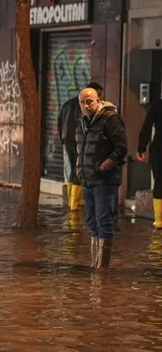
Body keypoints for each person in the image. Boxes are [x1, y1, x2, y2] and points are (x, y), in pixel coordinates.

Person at [75, 87, 127, 270]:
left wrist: (103, 166)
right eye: (82, 102)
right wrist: (80, 170)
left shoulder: (110, 119)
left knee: (104, 220)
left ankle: (102, 269)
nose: (86, 105)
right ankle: (95, 264)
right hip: (88, 178)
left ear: (98, 100)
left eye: (89, 101)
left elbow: (121, 149)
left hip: (105, 179)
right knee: (92, 221)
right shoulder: (82, 121)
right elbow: (80, 149)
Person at [58, 82, 104, 211]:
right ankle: (74, 203)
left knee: (74, 167)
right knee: (79, 169)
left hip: (67, 139)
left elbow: (59, 122)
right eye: (98, 94)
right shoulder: (86, 105)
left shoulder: (68, 104)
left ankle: (71, 201)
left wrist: (62, 137)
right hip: (79, 140)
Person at [136, 98, 162, 228]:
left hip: (159, 150)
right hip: (158, 150)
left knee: (159, 182)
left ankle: (159, 220)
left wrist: (141, 148)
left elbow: (146, 126)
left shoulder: (158, 105)